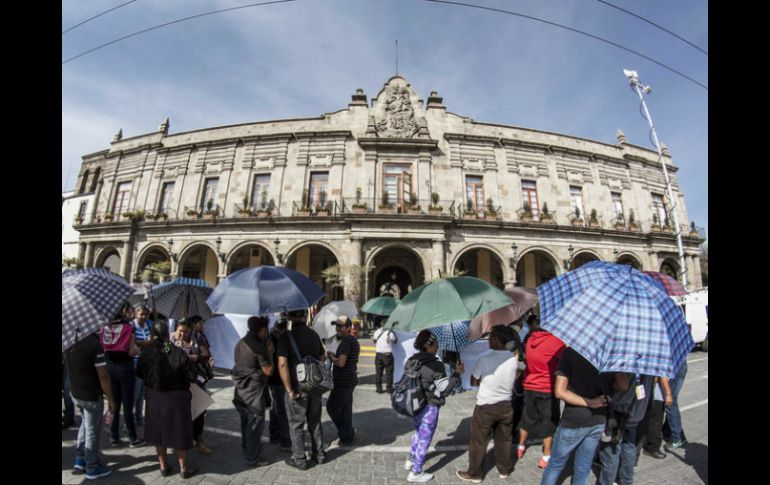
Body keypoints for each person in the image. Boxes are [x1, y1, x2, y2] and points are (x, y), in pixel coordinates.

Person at [539, 348, 618, 485]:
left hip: (574, 420)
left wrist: (590, 402)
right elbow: (623, 385)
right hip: (598, 418)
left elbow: (559, 392)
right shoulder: (610, 354)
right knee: (583, 467)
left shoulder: (570, 352)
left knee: (555, 465)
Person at [457, 326, 522, 483]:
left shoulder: (484, 359)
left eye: (492, 337)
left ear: (500, 340)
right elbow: (519, 373)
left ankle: (475, 473)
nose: (489, 339)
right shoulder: (514, 360)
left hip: (485, 406)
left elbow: (474, 381)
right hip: (506, 405)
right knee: (504, 439)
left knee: (479, 440)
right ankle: (504, 469)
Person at [137, 320, 199, 479]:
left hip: (155, 396)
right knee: (180, 430)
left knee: (158, 431)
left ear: (152, 335)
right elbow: (191, 375)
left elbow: (139, 372)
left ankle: (163, 466)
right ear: (167, 335)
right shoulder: (177, 351)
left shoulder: (146, 352)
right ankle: (183, 468)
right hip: (177, 398)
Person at [404, 330, 463, 483]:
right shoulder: (436, 365)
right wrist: (456, 374)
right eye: (435, 344)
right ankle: (416, 472)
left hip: (415, 404)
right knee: (425, 438)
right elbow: (445, 390)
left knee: (418, 432)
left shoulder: (411, 360)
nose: (437, 346)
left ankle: (411, 458)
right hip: (430, 407)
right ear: (428, 345)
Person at [277, 309, 327, 470]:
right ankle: (319, 454)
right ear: (306, 317)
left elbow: (282, 363)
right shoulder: (314, 335)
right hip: (314, 386)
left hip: (297, 386)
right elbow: (322, 357)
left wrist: (289, 390)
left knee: (296, 424)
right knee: (315, 421)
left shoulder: (285, 337)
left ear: (290, 317)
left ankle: (299, 459)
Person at [65, 330, 116, 479]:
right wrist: (111, 399)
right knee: (92, 430)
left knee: (85, 425)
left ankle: (80, 458)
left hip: (76, 392)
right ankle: (92, 466)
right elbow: (103, 375)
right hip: (90, 395)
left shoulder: (69, 341)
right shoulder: (94, 344)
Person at [517, 319, 566, 469]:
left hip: (530, 385)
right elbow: (564, 361)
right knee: (548, 422)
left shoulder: (531, 339)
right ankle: (546, 455)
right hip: (547, 388)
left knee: (527, 417)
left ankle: (520, 446)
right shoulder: (556, 342)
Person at [597, 373, 654, 485]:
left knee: (611, 451)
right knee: (629, 446)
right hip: (636, 412)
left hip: (620, 410)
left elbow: (622, 385)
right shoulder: (650, 361)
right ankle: (626, 481)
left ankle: (607, 481)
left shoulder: (628, 359)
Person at [100, 301, 143, 448]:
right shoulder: (128, 327)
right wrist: (137, 350)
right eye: (130, 310)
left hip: (110, 366)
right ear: (124, 311)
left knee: (114, 403)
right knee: (127, 404)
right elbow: (131, 351)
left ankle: (114, 436)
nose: (131, 313)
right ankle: (132, 437)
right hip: (125, 367)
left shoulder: (105, 326)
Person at [232, 316, 274, 467]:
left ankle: (247, 447)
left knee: (245, 422)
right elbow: (268, 371)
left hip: (241, 391)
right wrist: (269, 352)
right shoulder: (258, 346)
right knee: (255, 425)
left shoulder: (240, 343)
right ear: (262, 330)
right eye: (266, 330)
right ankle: (252, 457)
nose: (267, 333)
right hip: (253, 393)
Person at [172, 316, 213, 455]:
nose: (183, 334)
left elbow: (206, 355)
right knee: (182, 413)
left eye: (185, 331)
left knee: (199, 411)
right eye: (180, 330)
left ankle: (200, 441)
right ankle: (184, 440)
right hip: (178, 381)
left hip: (196, 379)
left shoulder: (197, 337)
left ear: (190, 329)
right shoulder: (172, 340)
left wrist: (192, 358)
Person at [326, 315, 360, 445]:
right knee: (346, 409)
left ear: (348, 327)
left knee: (331, 407)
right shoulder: (352, 340)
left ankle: (345, 433)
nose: (338, 328)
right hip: (350, 380)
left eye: (341, 326)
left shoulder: (346, 341)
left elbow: (341, 363)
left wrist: (331, 357)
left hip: (343, 382)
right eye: (337, 325)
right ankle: (348, 434)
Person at [268, 317, 292, 451]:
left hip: (275, 379)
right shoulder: (276, 339)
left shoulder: (273, 337)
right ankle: (284, 440)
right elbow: (282, 363)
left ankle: (275, 435)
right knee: (281, 409)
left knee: (276, 407)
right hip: (278, 379)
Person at [637, 376, 672, 461]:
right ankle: (652, 447)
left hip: (643, 389)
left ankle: (646, 445)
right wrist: (668, 394)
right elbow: (662, 375)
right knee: (655, 421)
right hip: (655, 392)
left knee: (645, 419)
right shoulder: (659, 362)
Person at [131, 305, 153, 426]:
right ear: (135, 314)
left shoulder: (149, 325)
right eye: (141, 314)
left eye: (146, 314)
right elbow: (131, 343)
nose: (144, 317)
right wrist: (146, 343)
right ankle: (130, 421)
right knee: (135, 394)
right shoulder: (131, 326)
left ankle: (139, 417)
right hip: (135, 365)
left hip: (146, 365)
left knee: (141, 394)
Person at [662, 360, 689, 451]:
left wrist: (668, 393)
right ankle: (672, 432)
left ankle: (677, 438)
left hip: (676, 369)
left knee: (670, 403)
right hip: (680, 366)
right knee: (671, 402)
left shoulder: (664, 348)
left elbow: (663, 373)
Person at [372, 324, 397, 393]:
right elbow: (395, 341)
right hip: (388, 355)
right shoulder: (390, 333)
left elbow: (374, 341)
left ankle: (379, 389)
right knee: (389, 373)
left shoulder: (377, 331)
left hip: (378, 355)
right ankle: (389, 388)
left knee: (378, 373)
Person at [62, 354, 76, 429]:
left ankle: (69, 417)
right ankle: (68, 415)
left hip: (69, 357)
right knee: (67, 388)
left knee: (67, 388)